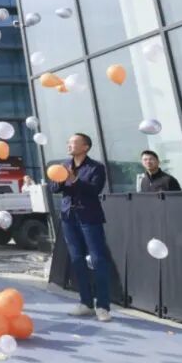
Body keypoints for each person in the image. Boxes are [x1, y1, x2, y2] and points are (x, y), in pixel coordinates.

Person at [50, 133, 111, 321]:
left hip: (89, 218)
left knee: (98, 260)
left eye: (73, 142)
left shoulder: (96, 167)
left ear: (85, 147)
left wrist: (75, 180)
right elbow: (54, 189)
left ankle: (103, 306)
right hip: (68, 217)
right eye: (68, 142)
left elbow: (94, 190)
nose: (69, 145)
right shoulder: (64, 166)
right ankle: (86, 303)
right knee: (77, 260)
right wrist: (61, 178)